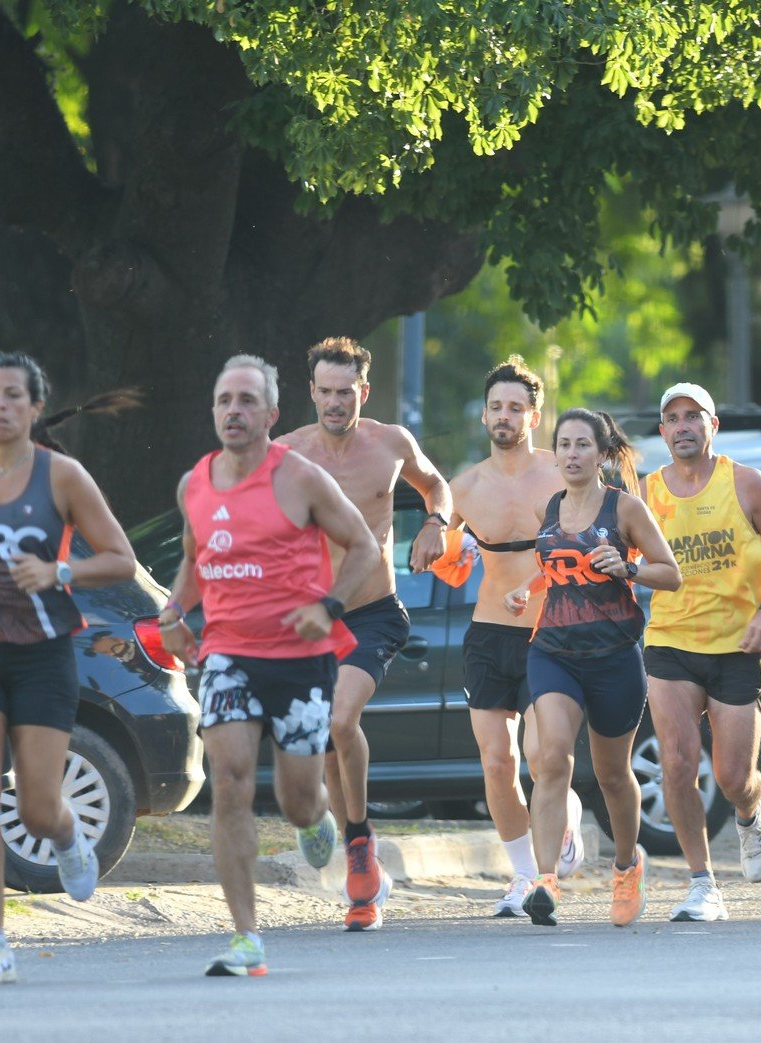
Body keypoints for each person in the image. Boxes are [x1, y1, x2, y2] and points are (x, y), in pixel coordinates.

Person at [159, 355, 379, 976]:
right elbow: (196, 560)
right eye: (224, 399)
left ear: (272, 413)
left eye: (247, 400)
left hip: (302, 659)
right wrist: (175, 612)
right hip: (228, 652)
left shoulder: (302, 479)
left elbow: (363, 544)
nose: (234, 410)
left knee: (297, 799)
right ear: (213, 410)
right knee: (228, 782)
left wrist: (329, 605)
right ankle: (246, 938)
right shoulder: (194, 484)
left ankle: (318, 821)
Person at [277, 337, 453, 931]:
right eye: (324, 391)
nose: (334, 402)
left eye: (344, 392)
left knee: (339, 721)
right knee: (326, 742)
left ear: (363, 392)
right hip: (311, 619)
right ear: (311, 392)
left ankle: (359, 842)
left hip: (374, 611)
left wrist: (436, 524)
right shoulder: (284, 454)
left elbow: (437, 486)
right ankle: (348, 852)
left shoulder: (391, 444)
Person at [0, 354, 139, 985]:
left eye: (13, 395)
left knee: (39, 807)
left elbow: (121, 559)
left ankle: (69, 835)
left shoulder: (62, 477)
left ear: (34, 408)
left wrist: (58, 572)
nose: (0, 406)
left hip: (43, 655)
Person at [499, 409, 682, 927]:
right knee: (552, 758)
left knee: (612, 775)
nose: (573, 454)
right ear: (554, 453)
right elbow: (554, 567)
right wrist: (525, 590)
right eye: (564, 445)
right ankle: (547, 881)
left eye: (583, 445)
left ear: (602, 454)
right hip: (553, 648)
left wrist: (628, 567)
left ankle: (626, 867)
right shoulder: (548, 506)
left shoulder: (624, 508)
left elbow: (671, 574)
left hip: (614, 656)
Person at [644, 381, 761, 922]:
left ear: (713, 426)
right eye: (673, 418)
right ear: (662, 431)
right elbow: (623, 557)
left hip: (740, 642)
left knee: (735, 776)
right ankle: (702, 882)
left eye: (695, 416)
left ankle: (751, 810)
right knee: (677, 761)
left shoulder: (745, 483)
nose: (683, 425)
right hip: (670, 640)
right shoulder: (645, 494)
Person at [438, 356, 584, 918]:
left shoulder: (561, 472)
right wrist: (443, 553)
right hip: (489, 633)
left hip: (554, 630)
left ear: (534, 416)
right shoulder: (465, 486)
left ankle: (562, 816)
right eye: (496, 407)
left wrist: (539, 581)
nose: (505, 416)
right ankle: (523, 875)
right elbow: (441, 553)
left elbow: (599, 530)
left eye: (516, 408)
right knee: (496, 761)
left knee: (543, 756)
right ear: (483, 415)